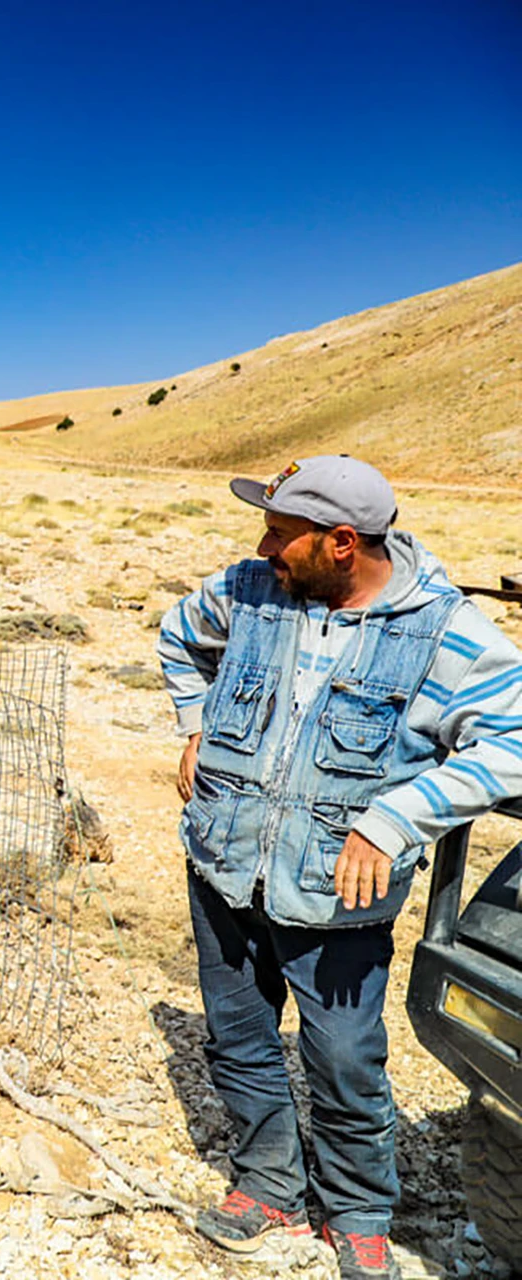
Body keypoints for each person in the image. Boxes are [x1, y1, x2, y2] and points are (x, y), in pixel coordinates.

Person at [157, 455, 522, 1279]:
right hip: (223, 862)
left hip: (336, 898)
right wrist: (193, 725)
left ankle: (358, 1209)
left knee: (345, 1057)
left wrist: (396, 819)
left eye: (283, 534)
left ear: (343, 543)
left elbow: (516, 741)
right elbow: (178, 637)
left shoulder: (446, 631)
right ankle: (267, 1184)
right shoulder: (249, 589)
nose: (264, 546)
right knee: (239, 1038)